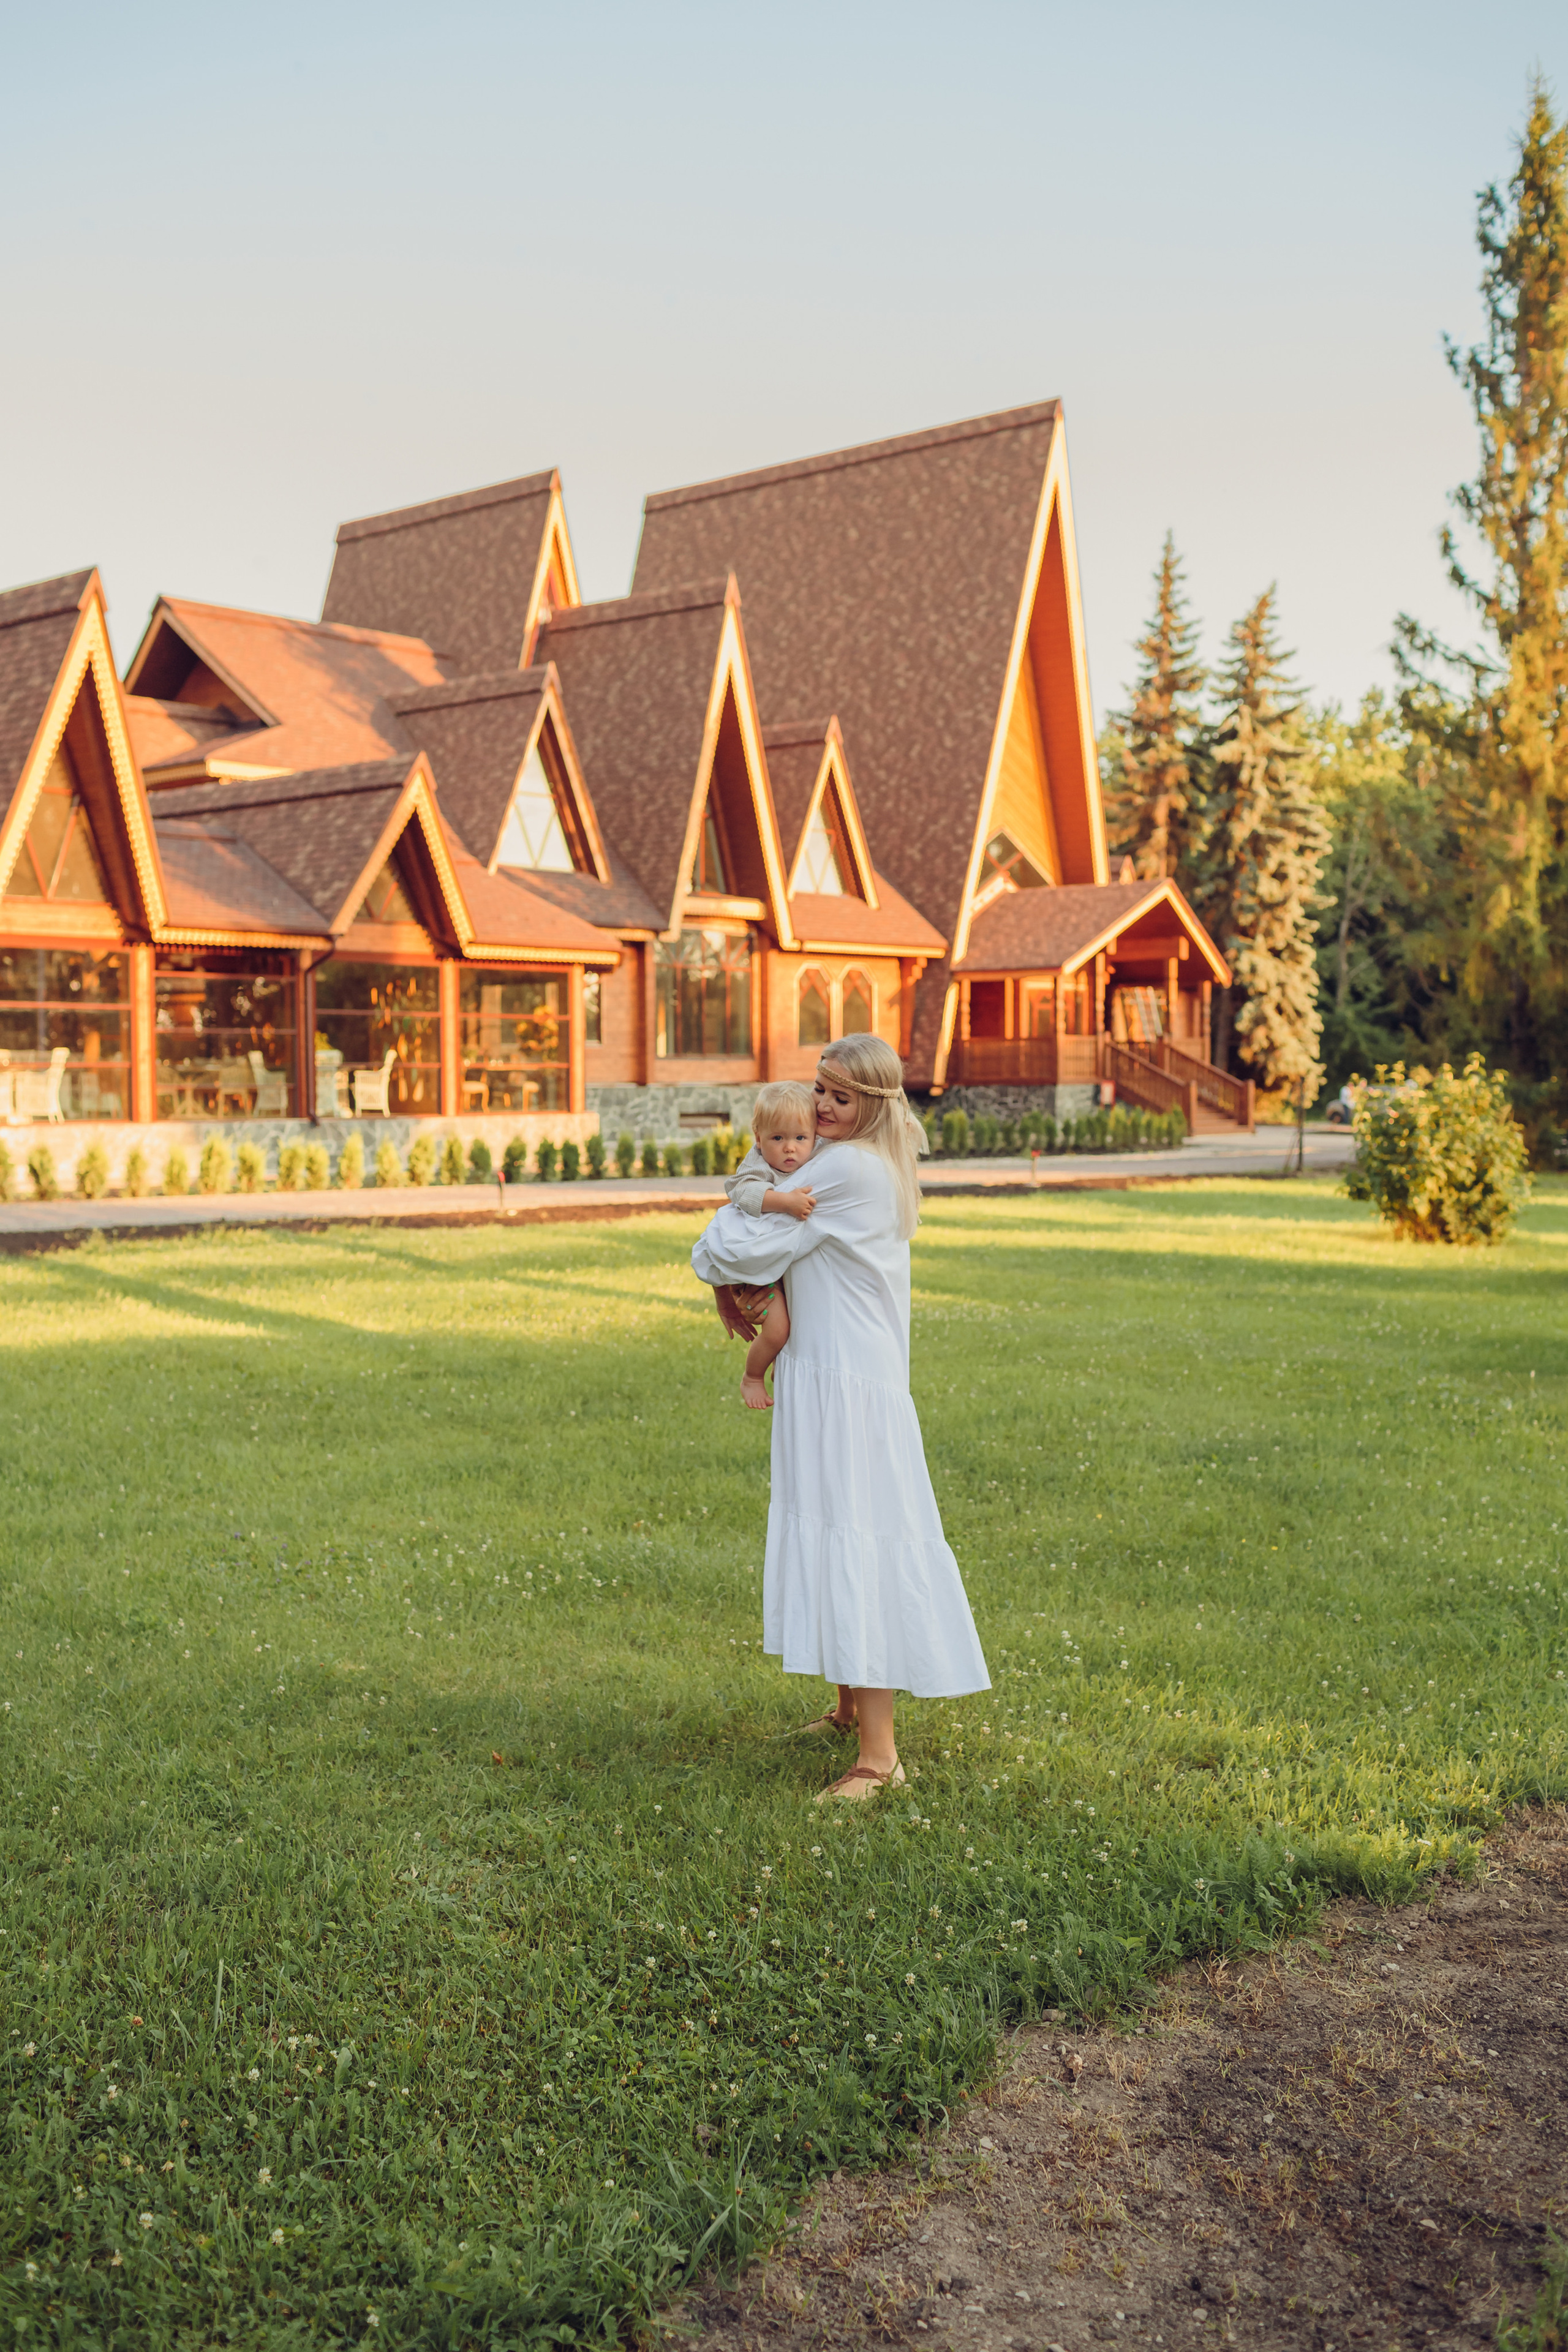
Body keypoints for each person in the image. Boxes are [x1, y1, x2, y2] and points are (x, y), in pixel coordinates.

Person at [691, 1035, 990, 1802]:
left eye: (839, 1097)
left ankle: (879, 1759)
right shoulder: (864, 1159)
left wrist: (723, 1275)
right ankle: (847, 1710)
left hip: (847, 1381)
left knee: (858, 1534)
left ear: (874, 1105)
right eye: (819, 1089)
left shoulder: (846, 1168)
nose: (820, 1106)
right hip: (834, 1372)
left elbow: (729, 1243)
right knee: (835, 1523)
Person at [722, 1080, 819, 1411]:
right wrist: (783, 1202)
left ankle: (782, 1365)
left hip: (784, 1261)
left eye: (800, 1138)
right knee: (777, 1330)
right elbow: (740, 1191)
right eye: (778, 1138)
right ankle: (752, 1376)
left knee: (803, 1321)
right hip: (758, 1265)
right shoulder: (758, 1164)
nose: (790, 1148)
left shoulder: (815, 1159)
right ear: (759, 1139)